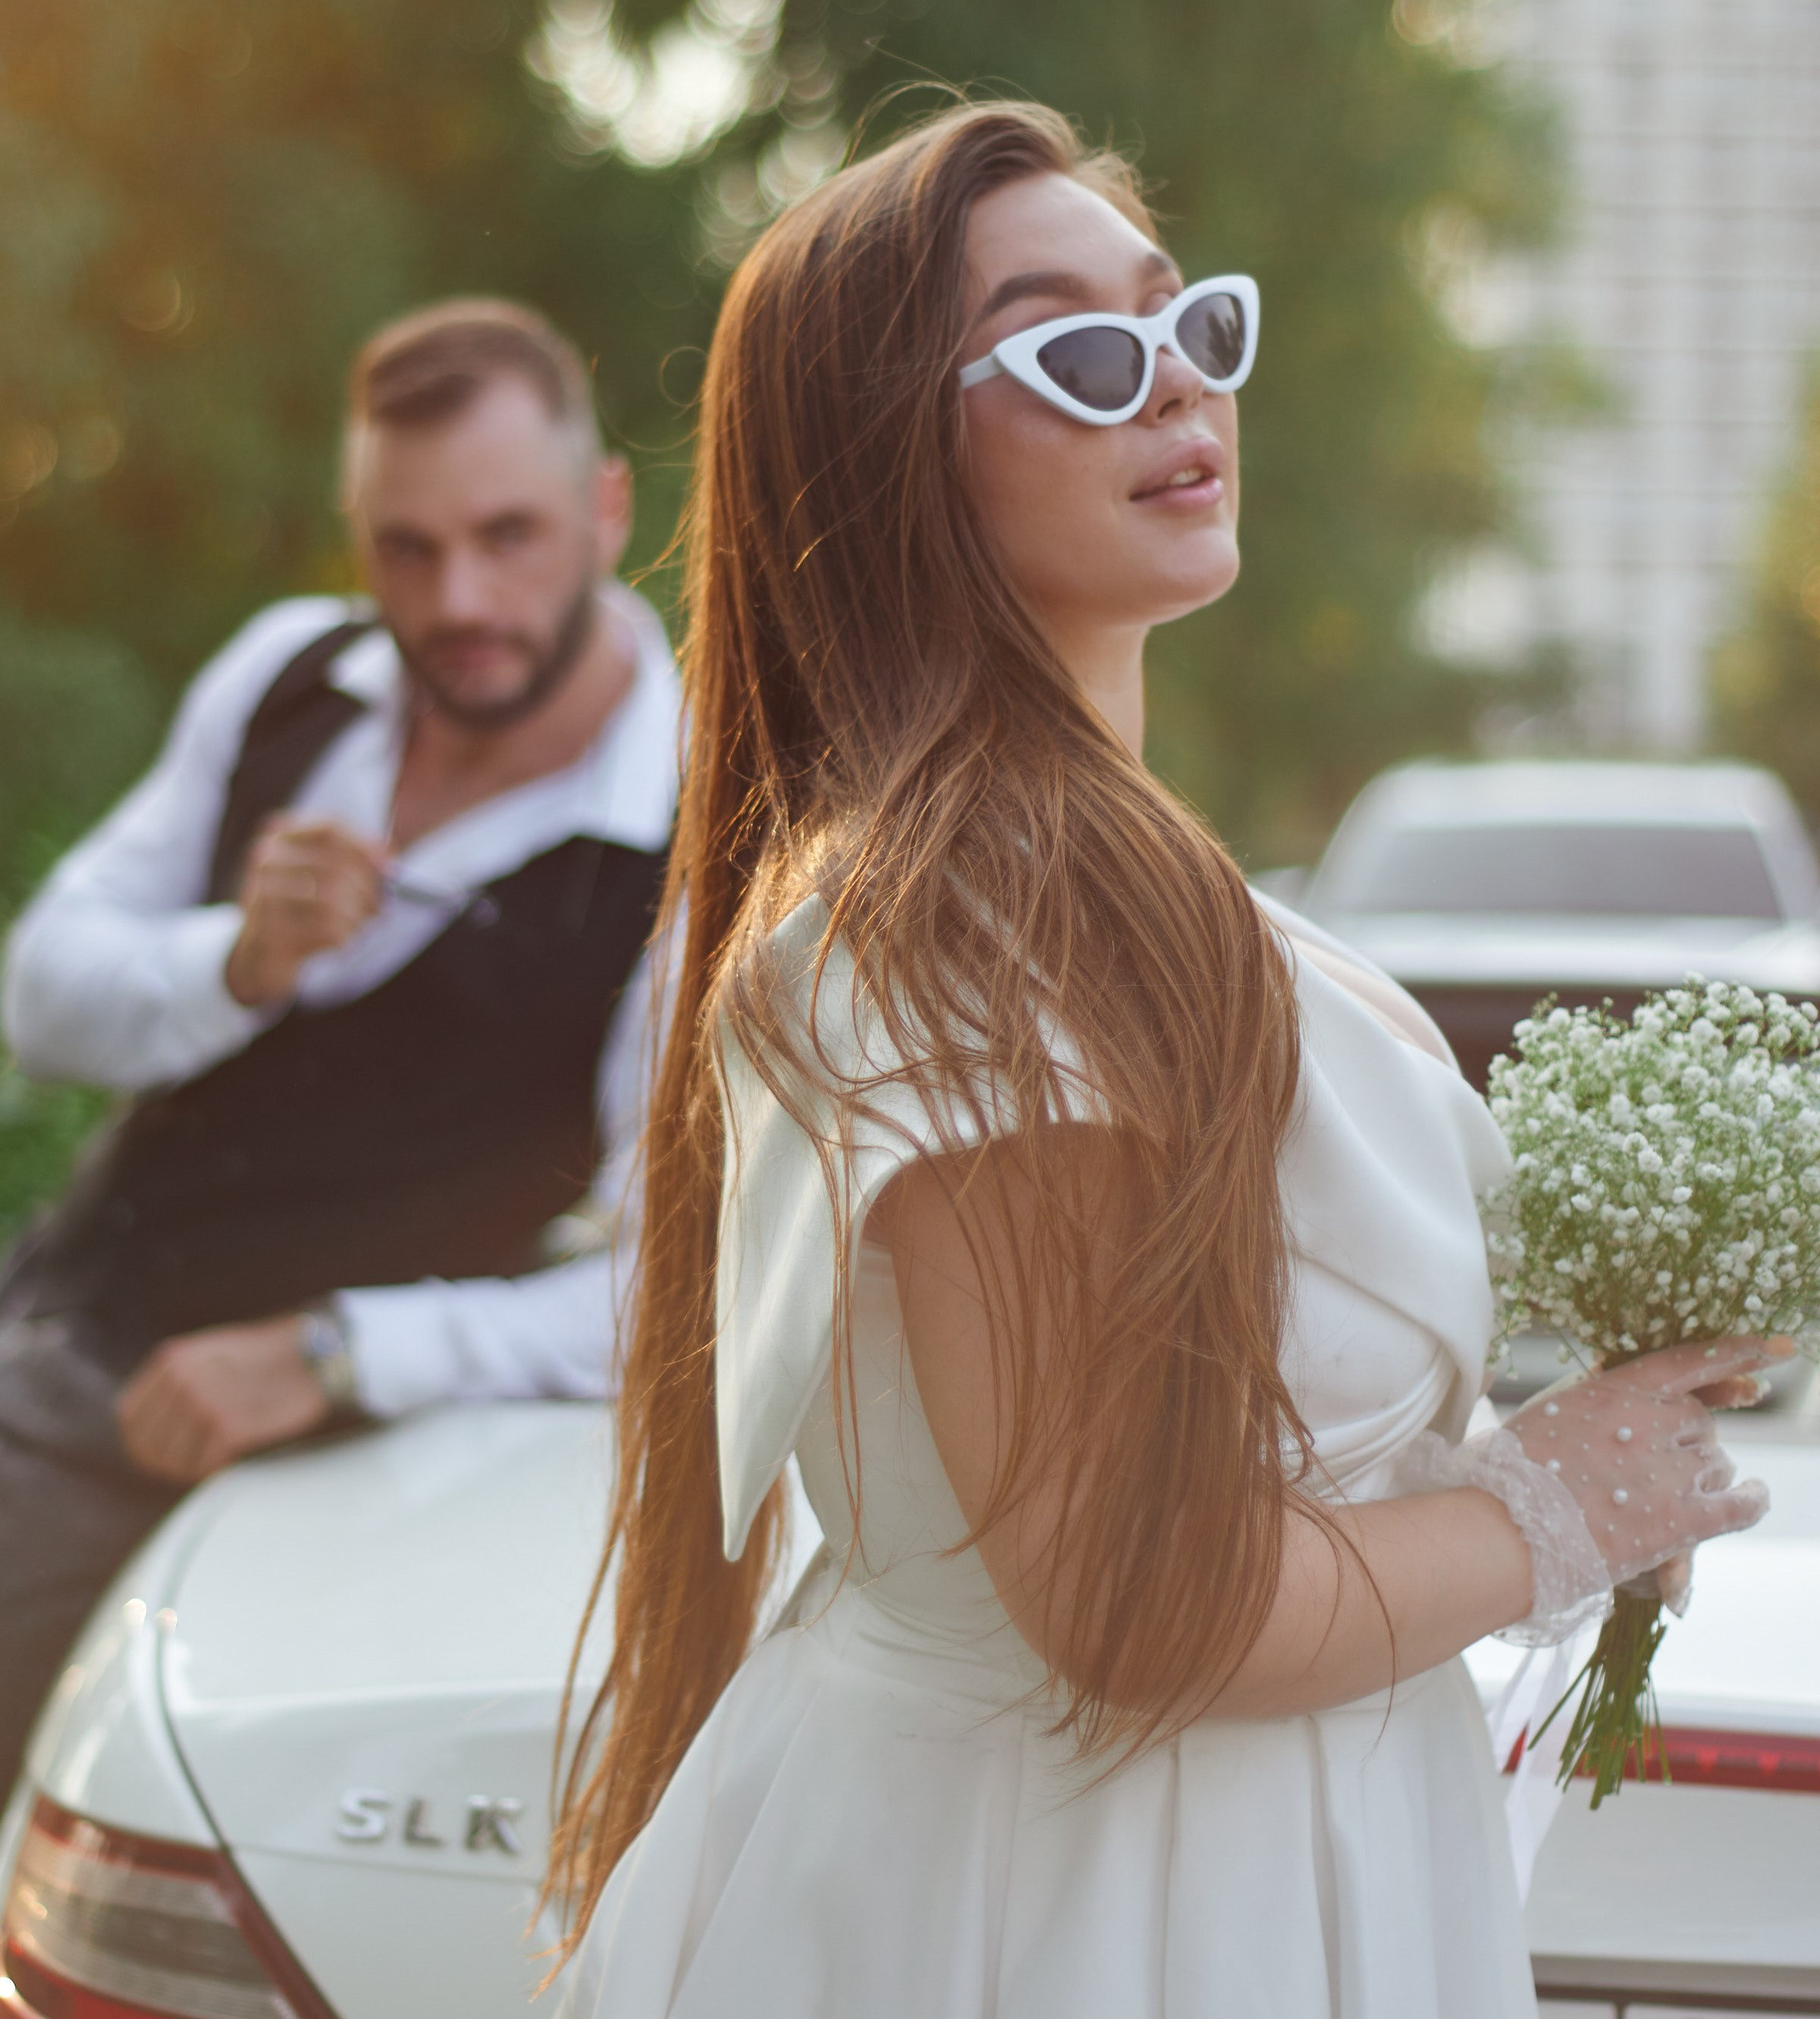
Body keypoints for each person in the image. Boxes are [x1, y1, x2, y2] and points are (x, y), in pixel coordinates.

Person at [539, 104, 1780, 2019]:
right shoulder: (970, 920)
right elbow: (1137, 1603)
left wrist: (1572, 1451)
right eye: (1082, 353)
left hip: (1228, 1863)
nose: (1177, 387)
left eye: (1191, 324)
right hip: (1077, 1911)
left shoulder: (1125, 883)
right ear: (893, 459)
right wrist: (1556, 1510)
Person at [0, 299, 676, 1789]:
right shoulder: (290, 677)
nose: (459, 602)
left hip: (318, 1495)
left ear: (605, 509)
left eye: (509, 536)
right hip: (51, 1333)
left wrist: (340, 1349)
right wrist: (232, 961)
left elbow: (667, 1292)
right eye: (406, 550)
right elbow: (40, 992)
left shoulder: (692, 841)